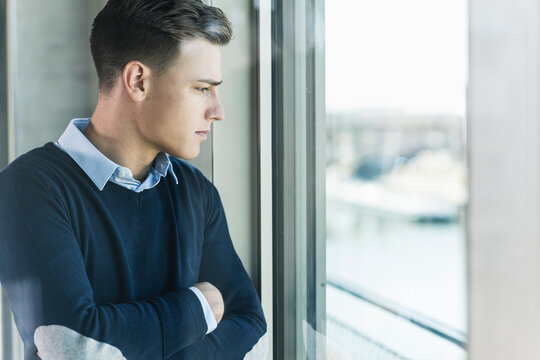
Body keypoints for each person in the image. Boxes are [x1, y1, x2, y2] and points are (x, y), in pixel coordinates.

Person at [0, 0, 267, 359]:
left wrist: (131, 339)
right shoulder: (27, 189)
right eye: (202, 88)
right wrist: (198, 307)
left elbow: (248, 318)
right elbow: (72, 346)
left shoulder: (196, 191)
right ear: (138, 81)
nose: (218, 111)